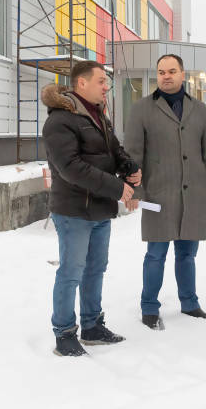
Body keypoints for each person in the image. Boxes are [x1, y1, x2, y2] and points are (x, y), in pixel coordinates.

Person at [41, 60, 142, 357]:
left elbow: (113, 150)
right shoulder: (60, 121)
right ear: (81, 83)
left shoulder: (97, 115)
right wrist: (115, 187)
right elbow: (71, 167)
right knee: (72, 271)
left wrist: (128, 167)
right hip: (73, 210)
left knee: (96, 269)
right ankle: (64, 333)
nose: (106, 86)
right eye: (101, 81)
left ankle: (92, 326)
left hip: (99, 208)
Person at [124, 54, 206, 330]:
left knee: (187, 254)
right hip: (158, 195)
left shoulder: (198, 108)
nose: (166, 76)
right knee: (155, 255)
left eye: (172, 71)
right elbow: (133, 155)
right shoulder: (141, 109)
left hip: (193, 194)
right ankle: (149, 308)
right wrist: (135, 191)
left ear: (182, 74)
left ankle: (189, 303)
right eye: (161, 72)